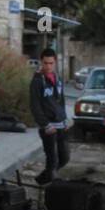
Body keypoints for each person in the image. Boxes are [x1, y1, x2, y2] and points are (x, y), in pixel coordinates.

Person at [28, 47, 69, 184]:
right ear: (41, 62)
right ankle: (50, 189)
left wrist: (65, 118)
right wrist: (45, 124)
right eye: (45, 63)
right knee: (52, 160)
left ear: (55, 62)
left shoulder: (58, 78)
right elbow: (35, 105)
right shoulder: (37, 81)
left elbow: (61, 99)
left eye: (51, 63)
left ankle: (41, 180)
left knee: (64, 158)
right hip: (48, 127)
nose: (48, 66)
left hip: (60, 124)